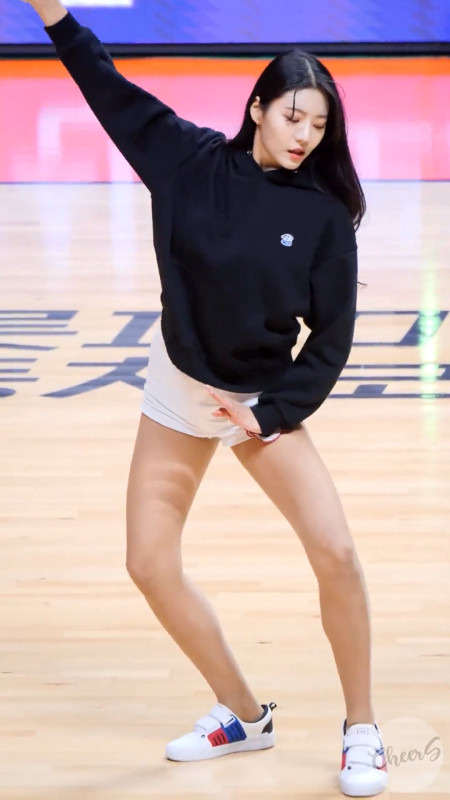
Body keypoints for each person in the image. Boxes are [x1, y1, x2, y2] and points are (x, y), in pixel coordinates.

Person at [22, 0, 388, 795]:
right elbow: (106, 86)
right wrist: (54, 14)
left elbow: (330, 342)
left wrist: (269, 413)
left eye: (318, 125)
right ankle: (243, 714)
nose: (304, 135)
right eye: (292, 116)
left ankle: (362, 727)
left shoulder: (324, 218)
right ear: (257, 108)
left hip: (258, 399)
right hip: (179, 384)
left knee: (336, 554)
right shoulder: (185, 161)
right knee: (148, 563)